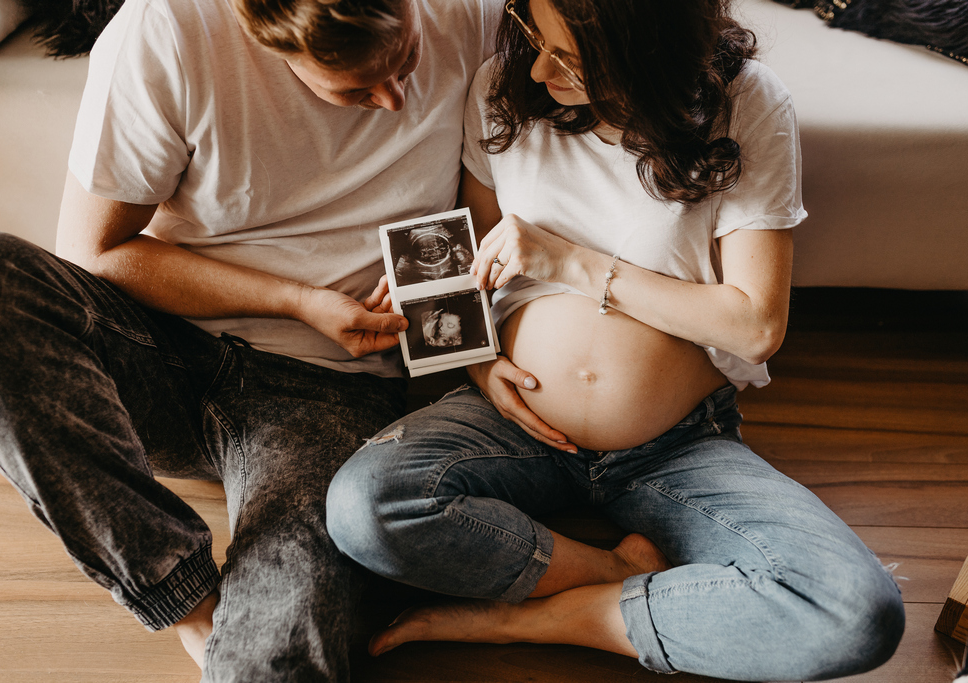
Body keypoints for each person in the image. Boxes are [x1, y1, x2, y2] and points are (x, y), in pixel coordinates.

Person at [325, 0, 906, 679]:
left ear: (642, 43)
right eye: (534, 39)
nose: (539, 69)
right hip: (517, 424)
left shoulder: (745, 102)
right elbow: (471, 263)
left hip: (675, 444)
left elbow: (754, 327)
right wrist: (482, 367)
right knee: (363, 508)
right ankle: (612, 573)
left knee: (858, 612)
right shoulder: (503, 88)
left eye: (567, 57)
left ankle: (552, 617)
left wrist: (568, 261)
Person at [0, 0, 499, 679]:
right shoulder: (167, 32)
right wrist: (298, 302)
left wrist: (464, 341)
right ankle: (184, 599)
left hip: (329, 396)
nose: (395, 100)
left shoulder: (478, 13)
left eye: (407, 59)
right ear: (266, 39)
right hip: (163, 350)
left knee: (279, 657)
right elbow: (98, 252)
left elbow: (488, 215)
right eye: (355, 87)